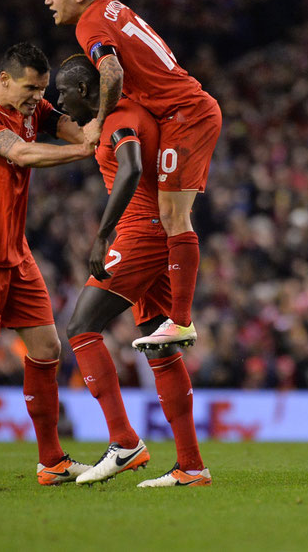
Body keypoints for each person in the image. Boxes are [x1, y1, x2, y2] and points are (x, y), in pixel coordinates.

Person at [45, 0, 223, 350]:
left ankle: (181, 320)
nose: (47, 0)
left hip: (184, 114)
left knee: (173, 216)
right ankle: (175, 323)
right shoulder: (112, 7)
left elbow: (112, 73)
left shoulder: (89, 24)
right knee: (171, 216)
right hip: (182, 111)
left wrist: (99, 122)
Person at [0, 42, 95, 489]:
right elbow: (23, 154)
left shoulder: (31, 107)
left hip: (14, 250)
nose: (37, 98)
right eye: (30, 88)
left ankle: (52, 461)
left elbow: (65, 126)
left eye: (42, 89)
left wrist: (95, 127)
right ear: (4, 79)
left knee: (47, 348)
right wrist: (86, 150)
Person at [55, 54, 211, 487]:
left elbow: (132, 167)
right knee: (160, 349)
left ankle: (124, 441)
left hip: (140, 233)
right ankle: (191, 466)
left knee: (82, 327)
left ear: (85, 90)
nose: (60, 99)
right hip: (156, 234)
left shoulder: (120, 117)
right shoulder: (124, 113)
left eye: (63, 91)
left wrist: (103, 236)